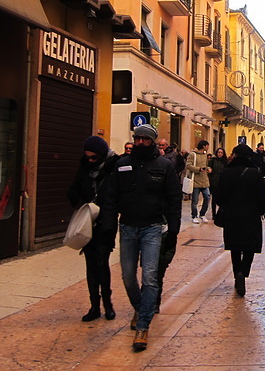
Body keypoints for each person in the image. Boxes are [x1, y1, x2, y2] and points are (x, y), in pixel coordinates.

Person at [101, 124, 181, 351]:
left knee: (150, 277)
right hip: (127, 227)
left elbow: (174, 200)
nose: (140, 143)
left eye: (145, 139)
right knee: (127, 276)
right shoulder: (122, 165)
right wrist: (109, 223)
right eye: (137, 139)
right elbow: (111, 196)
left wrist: (173, 229)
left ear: (153, 141)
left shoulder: (164, 166)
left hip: (152, 228)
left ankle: (143, 326)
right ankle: (140, 308)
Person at [66, 136, 120, 322]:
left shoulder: (115, 165)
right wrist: (82, 204)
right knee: (90, 264)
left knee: (102, 262)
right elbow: (73, 190)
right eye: (87, 157)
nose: (90, 160)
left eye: (93, 157)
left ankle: (108, 304)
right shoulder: (84, 167)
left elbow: (120, 192)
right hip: (88, 222)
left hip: (106, 221)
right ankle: (94, 306)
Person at [215, 144, 265, 297]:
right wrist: (261, 210)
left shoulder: (226, 172)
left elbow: (219, 197)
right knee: (250, 246)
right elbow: (262, 195)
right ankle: (243, 272)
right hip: (251, 214)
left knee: (235, 247)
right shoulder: (255, 173)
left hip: (232, 214)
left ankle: (237, 274)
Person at [186, 140, 212, 223]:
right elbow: (188, 165)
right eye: (207, 145)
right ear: (204, 146)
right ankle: (194, 215)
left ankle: (202, 214)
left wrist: (208, 169)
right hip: (195, 181)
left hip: (204, 180)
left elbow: (206, 165)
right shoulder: (192, 154)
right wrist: (198, 169)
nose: (208, 147)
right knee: (195, 200)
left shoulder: (205, 155)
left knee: (207, 197)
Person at [207, 147, 228, 218]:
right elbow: (209, 169)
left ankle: (221, 212)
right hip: (214, 182)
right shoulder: (213, 160)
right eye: (219, 152)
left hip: (222, 182)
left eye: (221, 153)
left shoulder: (225, 161)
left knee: (222, 198)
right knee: (214, 199)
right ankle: (214, 213)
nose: (220, 154)